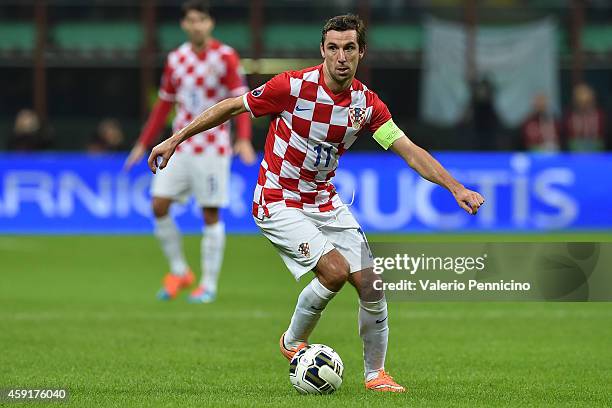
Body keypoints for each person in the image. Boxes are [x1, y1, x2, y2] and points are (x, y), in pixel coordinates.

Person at [147, 14, 484, 391]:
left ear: (361, 53)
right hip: (277, 199)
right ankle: (292, 343)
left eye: (350, 48)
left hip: (324, 200)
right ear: (322, 50)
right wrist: (175, 139)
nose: (341, 56)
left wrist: (455, 187)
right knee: (335, 271)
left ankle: (376, 375)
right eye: (334, 48)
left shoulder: (367, 106)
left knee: (372, 284)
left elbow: (409, 151)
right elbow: (230, 107)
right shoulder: (291, 87)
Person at [124, 0, 255, 303]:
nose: (197, 25)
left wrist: (244, 138)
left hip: (212, 147)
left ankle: (208, 285)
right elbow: (164, 105)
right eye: (192, 20)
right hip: (179, 146)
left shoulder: (226, 57)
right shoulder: (176, 59)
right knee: (158, 205)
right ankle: (180, 271)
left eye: (202, 19)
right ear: (184, 24)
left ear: (211, 23)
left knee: (209, 212)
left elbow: (242, 101)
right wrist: (143, 143)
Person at [563, 83, 606, 152]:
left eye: (586, 100)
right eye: (579, 97)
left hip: (598, 155)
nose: (582, 100)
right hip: (575, 154)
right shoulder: (568, 116)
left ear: (592, 98)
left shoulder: (601, 116)